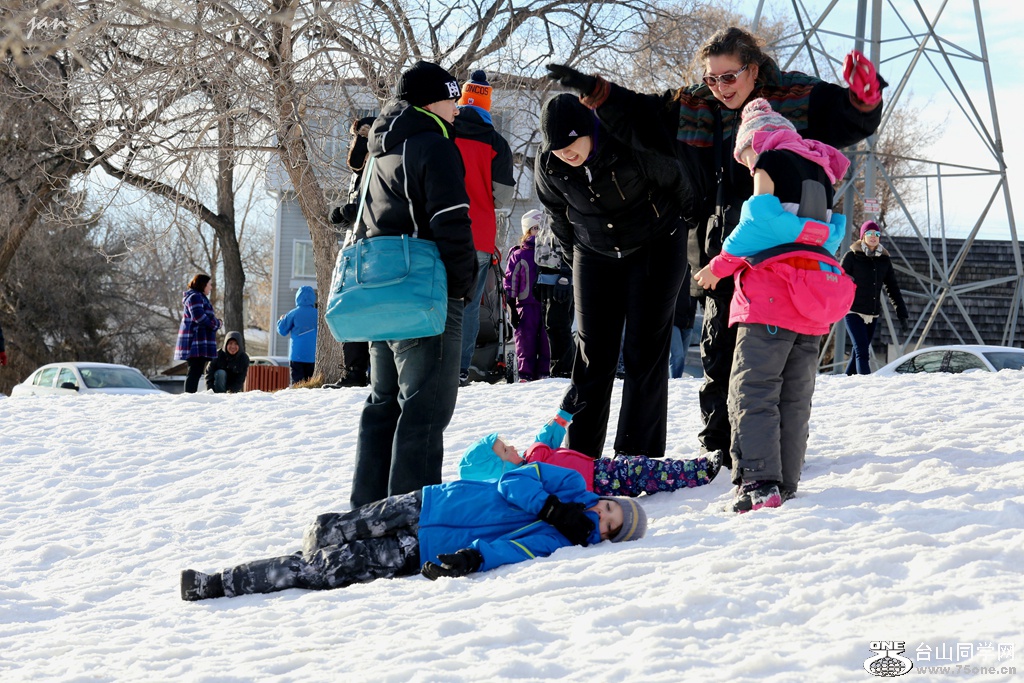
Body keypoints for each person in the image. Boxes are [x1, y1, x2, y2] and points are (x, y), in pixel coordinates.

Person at [547, 26, 885, 469]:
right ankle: (720, 449)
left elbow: (844, 117)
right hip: (721, 246)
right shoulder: (694, 106)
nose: (720, 87)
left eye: (729, 77)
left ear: (754, 69)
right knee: (718, 353)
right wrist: (594, 90)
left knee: (768, 363)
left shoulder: (793, 97)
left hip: (777, 256)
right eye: (712, 78)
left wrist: (864, 98)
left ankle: (769, 452)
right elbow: (641, 114)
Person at [693, 98, 854, 512]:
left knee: (754, 389)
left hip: (771, 297)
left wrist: (719, 266)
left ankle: (759, 482)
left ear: (755, 141)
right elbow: (827, 236)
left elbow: (758, 223)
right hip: (813, 300)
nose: (746, 165)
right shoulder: (820, 169)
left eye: (744, 155)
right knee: (794, 397)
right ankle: (786, 481)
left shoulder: (768, 161)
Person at [179, 463, 647, 601]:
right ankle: (313, 540)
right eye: (610, 509)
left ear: (607, 537)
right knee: (331, 532)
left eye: (610, 527)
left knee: (323, 570)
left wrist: (474, 558)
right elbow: (513, 479)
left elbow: (513, 549)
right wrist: (551, 506)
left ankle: (218, 583)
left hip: (421, 547)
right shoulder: (571, 486)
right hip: (428, 502)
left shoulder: (561, 542)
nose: (602, 516)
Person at [534, 93, 692, 459]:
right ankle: (580, 455)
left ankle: (636, 455)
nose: (565, 153)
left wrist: (690, 236)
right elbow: (556, 213)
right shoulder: (549, 165)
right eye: (556, 147)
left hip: (655, 245)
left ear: (589, 129)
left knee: (643, 350)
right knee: (593, 355)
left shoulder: (629, 141)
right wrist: (574, 255)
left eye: (570, 142)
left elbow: (681, 187)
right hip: (593, 251)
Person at [348, 61, 477, 508]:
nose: (458, 108)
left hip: (380, 295)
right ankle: (408, 519)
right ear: (429, 102)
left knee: (383, 403)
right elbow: (451, 223)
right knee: (425, 409)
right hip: (424, 293)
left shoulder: (380, 151)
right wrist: (462, 286)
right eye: (452, 99)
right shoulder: (433, 146)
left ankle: (366, 512)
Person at [459, 397, 720, 494]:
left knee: (642, 467)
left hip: (600, 468)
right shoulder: (525, 480)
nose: (513, 447)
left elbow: (545, 437)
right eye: (506, 450)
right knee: (644, 470)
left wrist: (563, 414)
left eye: (507, 444)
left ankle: (684, 472)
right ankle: (700, 471)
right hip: (598, 484)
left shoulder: (531, 455)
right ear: (500, 469)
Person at [453, 70, 515, 387]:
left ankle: (431, 362)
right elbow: (502, 197)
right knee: (469, 306)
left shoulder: (444, 130)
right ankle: (460, 368)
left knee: (437, 298)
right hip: (479, 234)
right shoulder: (496, 142)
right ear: (487, 104)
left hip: (440, 229)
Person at [330, 116, 378, 387]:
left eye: (362, 137)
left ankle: (375, 371)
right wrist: (342, 215)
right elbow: (355, 208)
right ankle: (354, 370)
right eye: (356, 138)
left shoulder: (383, 163)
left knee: (371, 308)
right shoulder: (358, 174)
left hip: (375, 247)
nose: (357, 144)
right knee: (350, 306)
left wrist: (356, 212)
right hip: (355, 246)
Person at [841, 220, 909, 375]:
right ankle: (866, 384)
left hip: (872, 314)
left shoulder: (884, 260)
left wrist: (902, 313)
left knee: (858, 351)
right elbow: (839, 281)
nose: (873, 236)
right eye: (870, 233)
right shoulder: (852, 256)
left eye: (877, 234)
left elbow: (892, 288)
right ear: (862, 236)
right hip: (853, 311)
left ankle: (846, 381)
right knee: (862, 352)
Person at [526, 209, 575, 378]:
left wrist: (566, 274)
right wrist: (538, 275)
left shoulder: (566, 206)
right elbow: (543, 242)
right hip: (546, 274)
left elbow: (571, 240)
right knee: (551, 325)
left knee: (559, 324)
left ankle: (564, 369)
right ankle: (560, 368)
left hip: (561, 275)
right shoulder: (547, 210)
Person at [504, 217, 548, 381]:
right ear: (527, 231)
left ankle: (545, 373)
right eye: (534, 228)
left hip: (546, 304)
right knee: (525, 342)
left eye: (541, 227)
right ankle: (525, 374)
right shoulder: (519, 254)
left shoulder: (549, 253)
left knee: (546, 342)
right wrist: (511, 303)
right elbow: (511, 280)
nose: (538, 231)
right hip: (526, 305)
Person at [174, 273, 222, 394]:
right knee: (194, 370)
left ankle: (191, 395)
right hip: (195, 340)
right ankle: (189, 396)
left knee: (196, 370)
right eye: (209, 284)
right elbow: (198, 317)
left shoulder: (199, 297)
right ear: (203, 284)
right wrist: (215, 324)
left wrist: (216, 322)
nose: (211, 287)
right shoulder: (195, 297)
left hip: (200, 340)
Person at [276, 285, 318, 385]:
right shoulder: (318, 314)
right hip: (313, 355)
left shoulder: (293, 314)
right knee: (311, 384)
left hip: (297, 355)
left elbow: (282, 331)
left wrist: (281, 320)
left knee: (297, 384)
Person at [669, 272, 698, 379]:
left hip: (688, 322)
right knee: (677, 355)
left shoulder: (695, 273)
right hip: (673, 321)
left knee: (682, 357)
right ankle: (675, 381)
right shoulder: (674, 271)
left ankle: (676, 380)